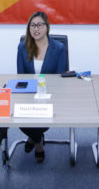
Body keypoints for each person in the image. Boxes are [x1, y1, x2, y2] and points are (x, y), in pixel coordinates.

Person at [17, 11, 67, 163]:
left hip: (49, 94)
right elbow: (21, 76)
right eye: (32, 25)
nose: (36, 29)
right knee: (19, 117)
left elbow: (59, 78)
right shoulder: (23, 47)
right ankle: (38, 140)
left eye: (40, 25)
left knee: (41, 118)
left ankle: (35, 141)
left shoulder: (59, 48)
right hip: (28, 94)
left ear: (47, 27)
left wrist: (44, 94)